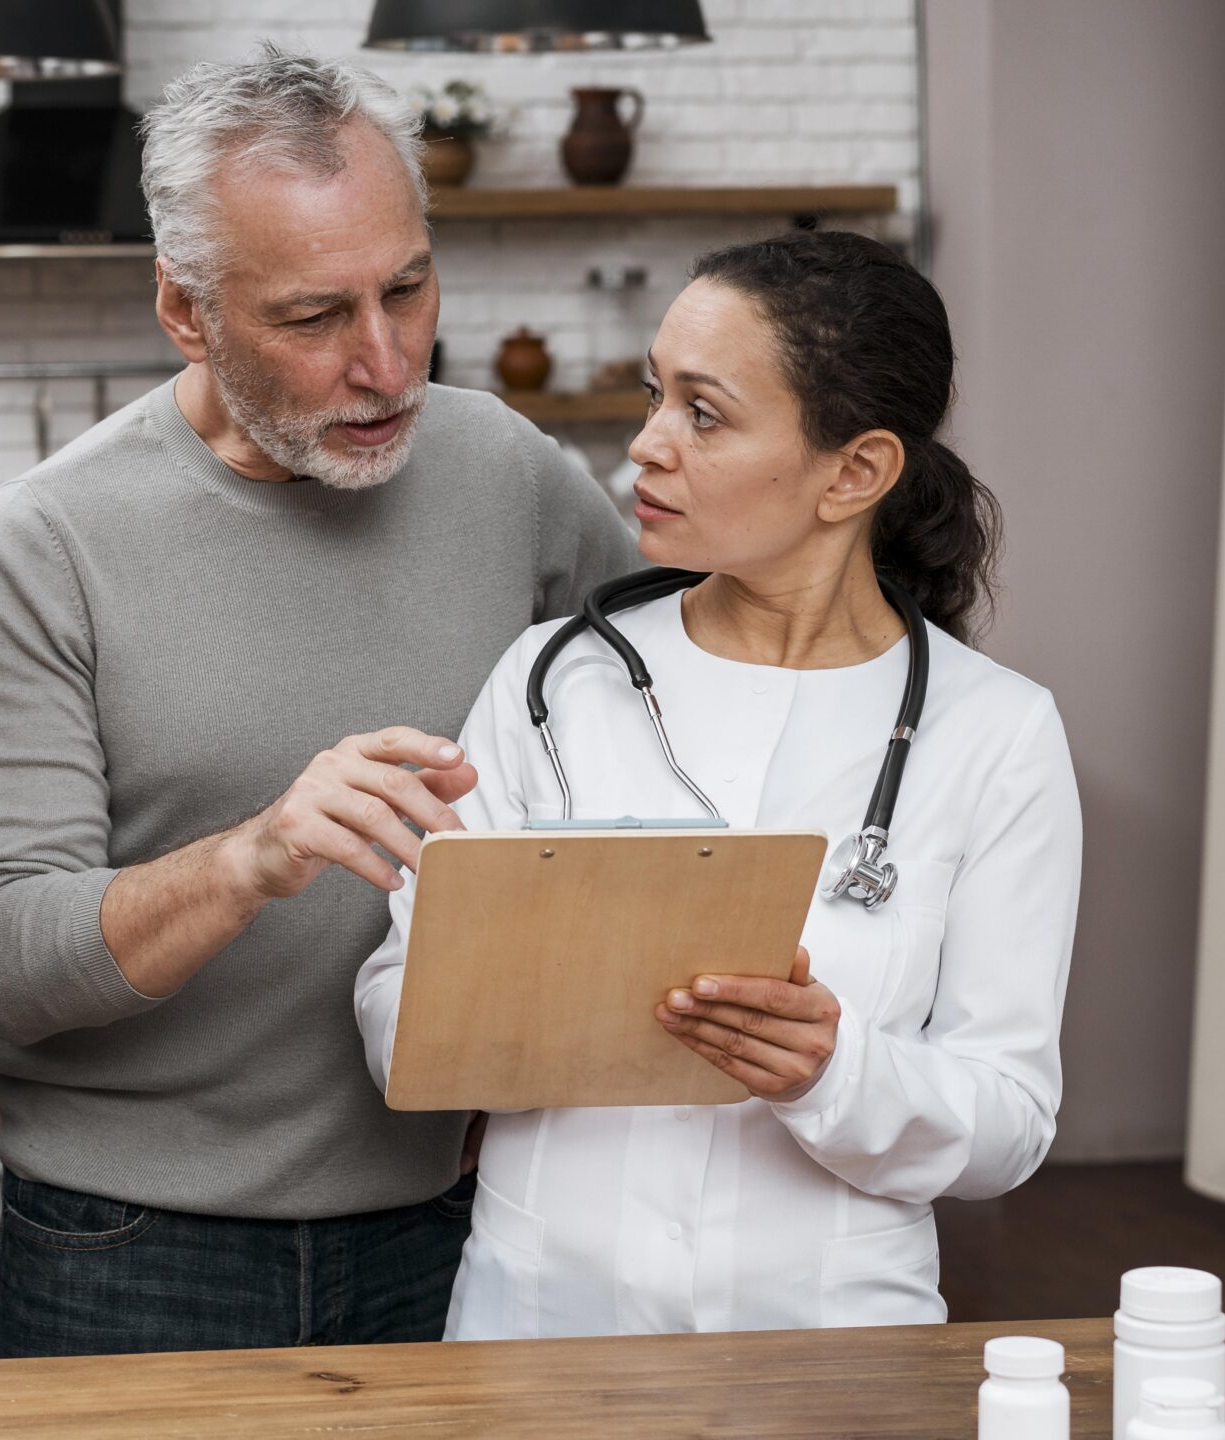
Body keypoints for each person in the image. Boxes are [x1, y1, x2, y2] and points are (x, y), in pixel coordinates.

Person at [0, 46, 637, 1358]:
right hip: (128, 1253)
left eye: (408, 289)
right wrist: (252, 858)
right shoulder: (48, 541)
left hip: (455, 1216)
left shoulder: (509, 473)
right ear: (186, 309)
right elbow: (8, 966)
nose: (385, 362)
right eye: (314, 318)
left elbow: (682, 724)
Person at [357, 228, 1082, 1338]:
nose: (645, 446)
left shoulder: (996, 735)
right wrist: (498, 1014)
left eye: (703, 413)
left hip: (830, 1342)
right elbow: (394, 999)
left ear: (855, 472)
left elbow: (1009, 1122)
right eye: (657, 395)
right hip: (540, 1325)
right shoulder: (555, 684)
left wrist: (833, 1072)